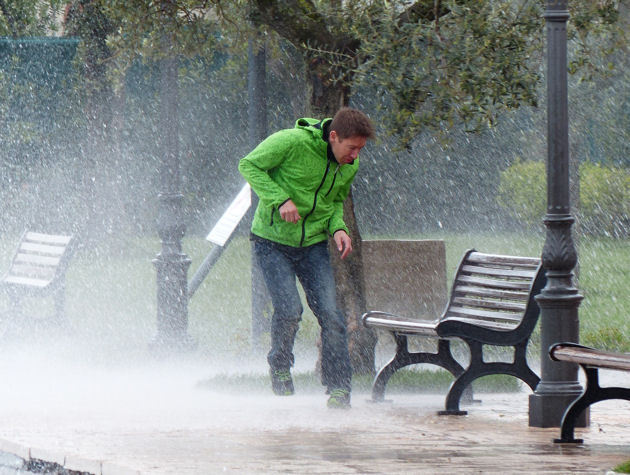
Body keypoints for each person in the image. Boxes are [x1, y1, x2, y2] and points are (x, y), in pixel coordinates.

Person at [238, 107, 374, 409]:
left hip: (312, 245)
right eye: (352, 148)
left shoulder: (348, 165)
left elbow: (335, 202)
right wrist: (280, 199)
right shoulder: (291, 142)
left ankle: (339, 388)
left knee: (332, 317)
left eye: (360, 149)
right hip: (271, 242)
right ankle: (280, 364)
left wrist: (338, 228)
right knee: (289, 310)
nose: (355, 156)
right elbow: (249, 166)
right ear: (334, 136)